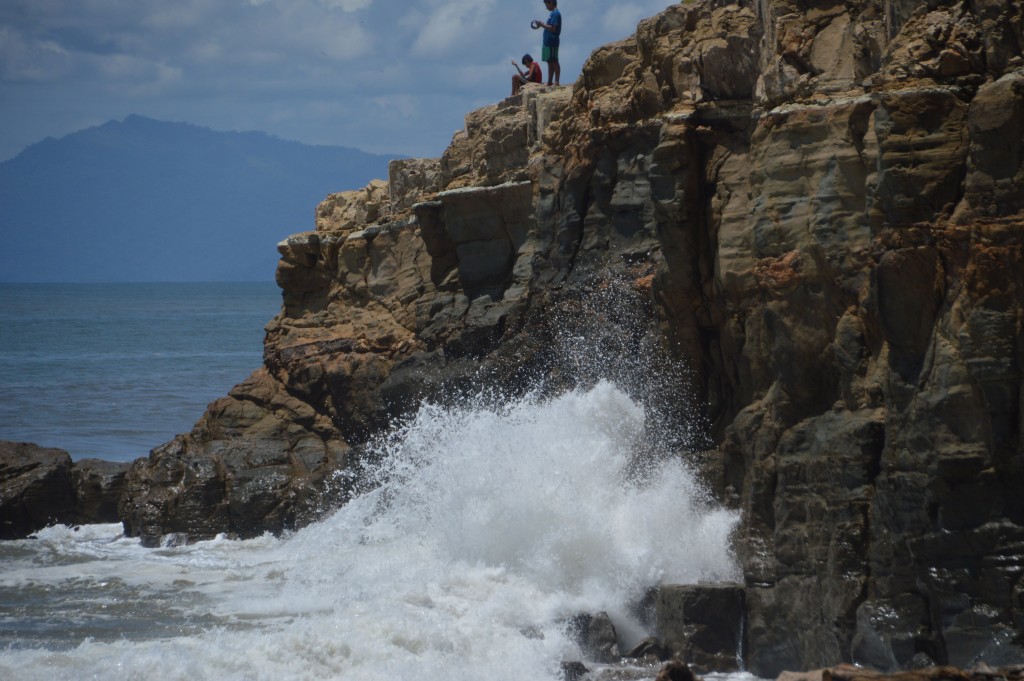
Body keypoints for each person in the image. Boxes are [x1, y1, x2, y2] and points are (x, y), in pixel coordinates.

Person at [531, 0, 561, 86]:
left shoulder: (556, 13)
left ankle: (556, 81)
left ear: (551, 2)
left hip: (552, 41)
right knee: (549, 61)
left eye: (546, 4)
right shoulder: (552, 14)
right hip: (547, 42)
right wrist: (541, 25)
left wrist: (542, 24)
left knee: (554, 61)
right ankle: (549, 82)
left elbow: (553, 28)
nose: (546, 7)